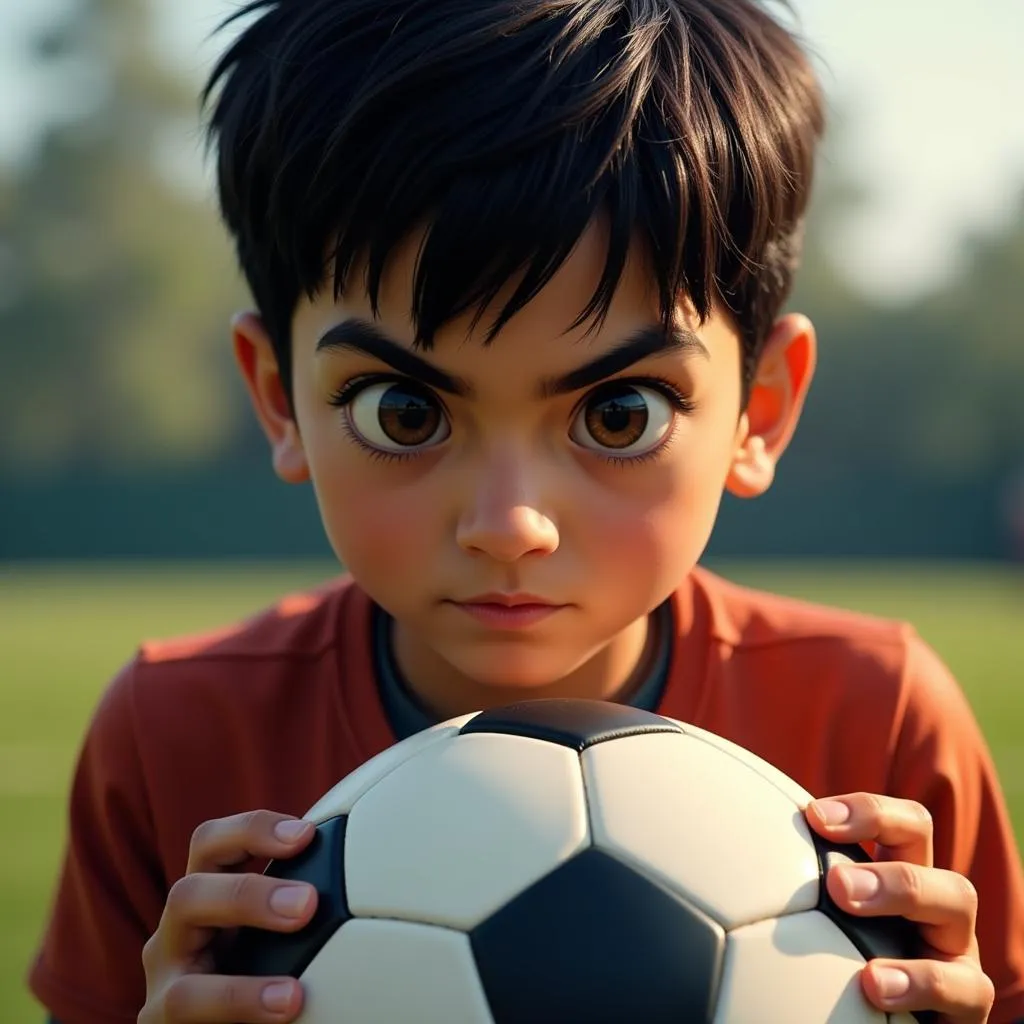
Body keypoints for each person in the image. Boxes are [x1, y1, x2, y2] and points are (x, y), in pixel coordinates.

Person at [27, 0, 1024, 1021]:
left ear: (757, 409)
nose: (510, 523)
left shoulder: (878, 717)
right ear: (279, 396)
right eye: (404, 411)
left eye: (618, 412)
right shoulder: (173, 731)